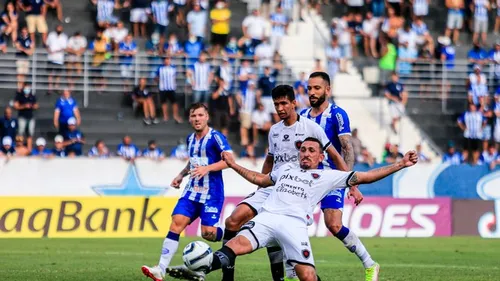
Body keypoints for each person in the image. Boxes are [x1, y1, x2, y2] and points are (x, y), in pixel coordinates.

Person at [169, 138, 418, 281]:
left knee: (307, 276)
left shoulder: (328, 175)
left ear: (321, 156)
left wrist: (401, 164)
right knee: (232, 248)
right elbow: (259, 179)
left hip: (294, 225)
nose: (305, 154)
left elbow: (366, 176)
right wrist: (233, 165)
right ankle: (198, 269)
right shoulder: (286, 169)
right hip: (267, 219)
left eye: (311, 150)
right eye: (302, 150)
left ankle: (198, 267)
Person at [218, 85, 352, 281]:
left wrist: (351, 185)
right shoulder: (274, 130)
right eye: (276, 104)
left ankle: (280, 277)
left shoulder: (311, 128)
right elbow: (270, 160)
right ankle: (227, 276)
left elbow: (334, 155)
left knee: (276, 236)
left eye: (283, 103)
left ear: (293, 103)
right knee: (233, 220)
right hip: (271, 184)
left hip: (294, 190)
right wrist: (259, 188)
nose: (280, 108)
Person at [299, 72, 379, 280]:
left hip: (332, 177)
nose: (312, 92)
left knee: (333, 225)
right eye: (309, 88)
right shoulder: (303, 116)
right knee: (293, 222)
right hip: (306, 179)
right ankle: (292, 274)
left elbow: (347, 149)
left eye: (317, 88)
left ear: (327, 90)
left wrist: (351, 184)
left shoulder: (337, 114)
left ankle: (370, 264)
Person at [141, 103, 232, 281]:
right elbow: (193, 162)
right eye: (193, 116)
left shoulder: (216, 137)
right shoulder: (190, 139)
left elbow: (229, 160)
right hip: (192, 191)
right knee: (176, 223)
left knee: (209, 234)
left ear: (207, 117)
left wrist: (207, 168)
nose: (197, 119)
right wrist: (181, 175)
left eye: (200, 115)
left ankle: (234, 233)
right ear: (190, 119)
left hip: (211, 193)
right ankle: (160, 269)